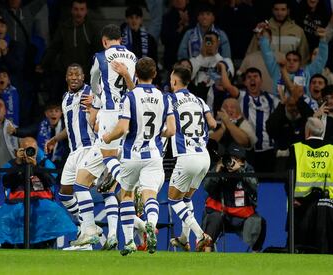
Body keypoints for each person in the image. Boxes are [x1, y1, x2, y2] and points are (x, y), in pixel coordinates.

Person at [102, 57, 176, 256]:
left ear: (136, 74)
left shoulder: (131, 96)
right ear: (154, 74)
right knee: (149, 195)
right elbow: (171, 130)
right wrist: (155, 133)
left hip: (131, 154)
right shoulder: (164, 97)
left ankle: (129, 242)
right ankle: (151, 224)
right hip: (153, 154)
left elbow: (123, 128)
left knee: (126, 195)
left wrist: (109, 136)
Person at [44, 64, 97, 245]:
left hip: (90, 148)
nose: (74, 77)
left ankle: (89, 230)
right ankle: (86, 224)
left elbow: (103, 115)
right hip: (74, 151)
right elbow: (70, 125)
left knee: (82, 187)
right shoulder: (65, 98)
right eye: (71, 74)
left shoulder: (91, 93)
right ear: (66, 78)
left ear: (83, 77)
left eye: (77, 74)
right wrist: (55, 139)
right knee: (65, 194)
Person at [0, 137, 77, 248]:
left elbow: (51, 181)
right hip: (16, 203)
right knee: (5, 214)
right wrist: (18, 164)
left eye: (33, 149)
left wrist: (36, 167)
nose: (30, 152)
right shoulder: (11, 164)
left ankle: (46, 244)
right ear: (20, 150)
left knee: (53, 211)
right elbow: (6, 183)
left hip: (42, 202)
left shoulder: (45, 163)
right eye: (26, 149)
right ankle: (8, 245)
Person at [167, 66, 216, 252]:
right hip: (204, 156)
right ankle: (183, 238)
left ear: (174, 81)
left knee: (173, 199)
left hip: (187, 156)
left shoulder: (170, 99)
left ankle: (200, 235)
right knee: (186, 198)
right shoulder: (199, 100)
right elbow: (212, 123)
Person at [90, 24, 137, 188]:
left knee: (107, 156)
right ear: (121, 40)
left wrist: (98, 95)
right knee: (123, 156)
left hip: (110, 111)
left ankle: (122, 180)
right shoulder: (133, 57)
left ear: (104, 41)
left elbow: (93, 83)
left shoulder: (100, 56)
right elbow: (134, 88)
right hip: (128, 113)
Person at [202, 144, 267, 252]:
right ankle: (206, 251)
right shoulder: (220, 168)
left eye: (236, 159)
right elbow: (207, 187)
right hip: (222, 215)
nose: (231, 163)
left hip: (243, 217)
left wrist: (240, 171)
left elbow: (254, 186)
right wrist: (217, 170)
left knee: (260, 221)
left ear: (242, 161)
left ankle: (256, 253)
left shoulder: (248, 169)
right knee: (213, 217)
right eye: (230, 158)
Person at [221, 67, 279, 172]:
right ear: (245, 82)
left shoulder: (271, 99)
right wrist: (222, 66)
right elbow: (227, 86)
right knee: (249, 181)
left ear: (261, 81)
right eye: (249, 77)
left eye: (255, 76)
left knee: (268, 183)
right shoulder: (242, 96)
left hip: (268, 149)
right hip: (247, 149)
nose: (252, 79)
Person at [40, 0, 100, 99]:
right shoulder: (63, 27)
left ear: (86, 11)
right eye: (76, 9)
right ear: (71, 10)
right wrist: (43, 64)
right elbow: (54, 48)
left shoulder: (92, 28)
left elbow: (98, 51)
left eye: (82, 9)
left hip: (86, 75)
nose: (79, 13)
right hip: (65, 74)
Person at [289, 117, 333, 253]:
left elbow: (289, 176)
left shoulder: (296, 148)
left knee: (299, 246)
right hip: (328, 205)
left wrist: (291, 197)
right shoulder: (332, 149)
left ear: (307, 131)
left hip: (300, 204)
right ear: (322, 132)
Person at [189, 30, 234, 113]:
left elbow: (228, 78)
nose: (209, 44)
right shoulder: (194, 61)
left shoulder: (226, 61)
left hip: (217, 102)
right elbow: (188, 77)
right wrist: (202, 56)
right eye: (206, 41)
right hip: (197, 102)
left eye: (212, 41)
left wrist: (215, 56)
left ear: (218, 43)